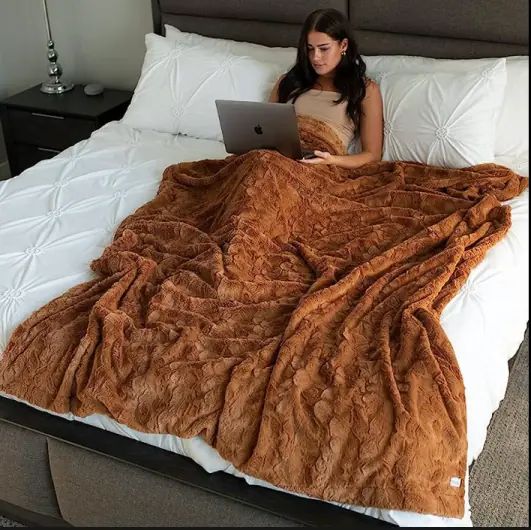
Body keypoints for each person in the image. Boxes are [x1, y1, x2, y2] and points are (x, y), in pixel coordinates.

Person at [269, 9, 383, 168]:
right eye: (310, 49)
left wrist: (332, 160)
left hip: (320, 167)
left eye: (323, 49)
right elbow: (266, 132)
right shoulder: (287, 82)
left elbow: (372, 155)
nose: (315, 57)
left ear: (343, 45)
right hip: (274, 159)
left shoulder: (365, 89)